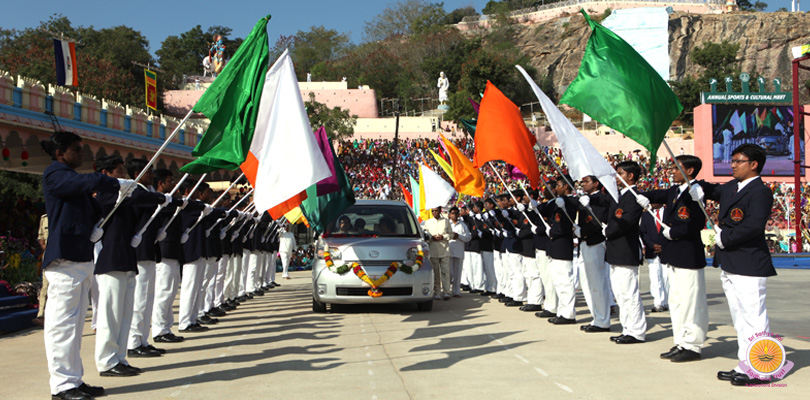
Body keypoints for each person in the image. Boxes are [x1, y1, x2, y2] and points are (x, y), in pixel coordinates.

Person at [40, 131, 120, 400]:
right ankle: (62, 386)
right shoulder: (55, 174)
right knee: (61, 327)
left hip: (80, 258)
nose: (81, 153)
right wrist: (111, 182)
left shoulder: (73, 181)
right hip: (64, 261)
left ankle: (73, 379)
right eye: (76, 149)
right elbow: (84, 183)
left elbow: (95, 208)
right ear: (60, 153)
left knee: (74, 328)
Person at [696, 144, 777, 386]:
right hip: (730, 261)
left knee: (754, 317)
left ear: (753, 164)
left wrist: (725, 238)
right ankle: (746, 362)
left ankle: (763, 368)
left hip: (749, 261)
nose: (732, 164)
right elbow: (713, 189)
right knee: (740, 318)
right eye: (732, 160)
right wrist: (696, 185)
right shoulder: (733, 186)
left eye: (738, 160)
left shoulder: (760, 192)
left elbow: (753, 226)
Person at [93, 155, 168, 377]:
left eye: (123, 171)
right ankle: (106, 361)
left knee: (124, 314)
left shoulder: (124, 195)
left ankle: (119, 357)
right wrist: (154, 196)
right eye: (118, 172)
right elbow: (135, 200)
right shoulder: (107, 194)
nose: (123, 176)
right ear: (105, 174)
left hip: (126, 258)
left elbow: (141, 205)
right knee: (111, 315)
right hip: (111, 260)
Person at [639, 155, 708, 364]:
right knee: (677, 301)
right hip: (673, 255)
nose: (672, 171)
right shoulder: (674, 191)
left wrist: (673, 233)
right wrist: (643, 196)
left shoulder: (696, 192)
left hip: (688, 255)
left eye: (677, 168)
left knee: (691, 302)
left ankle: (693, 344)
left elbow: (695, 223)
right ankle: (681, 341)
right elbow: (654, 194)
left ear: (690, 171)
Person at [601, 161, 647, 344]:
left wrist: (608, 230)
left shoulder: (635, 197)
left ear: (630, 176)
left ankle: (636, 331)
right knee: (620, 294)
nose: (617, 177)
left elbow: (625, 222)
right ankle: (627, 328)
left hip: (626, 250)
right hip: (615, 251)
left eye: (620, 173)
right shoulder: (620, 196)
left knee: (629, 293)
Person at [576, 175, 612, 333]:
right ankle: (597, 317)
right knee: (591, 284)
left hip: (595, 242)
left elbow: (599, 221)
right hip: (586, 242)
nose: (583, 184)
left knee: (598, 283)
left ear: (596, 183)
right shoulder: (587, 198)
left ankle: (603, 320)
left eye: (587, 181)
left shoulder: (601, 199)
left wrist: (581, 232)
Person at [546, 179, 578, 325]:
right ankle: (562, 311)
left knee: (565, 282)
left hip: (563, 246)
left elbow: (563, 227)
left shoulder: (570, 203)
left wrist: (551, 231)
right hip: (555, 247)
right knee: (558, 282)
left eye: (558, 185)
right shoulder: (559, 203)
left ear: (566, 186)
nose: (556, 188)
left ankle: (568, 313)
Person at [639, 203, 669, 313]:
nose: (653, 203)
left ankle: (665, 301)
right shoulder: (647, 215)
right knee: (655, 278)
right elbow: (643, 232)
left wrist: (663, 246)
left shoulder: (668, 212)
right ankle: (657, 303)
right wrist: (651, 245)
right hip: (652, 250)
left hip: (665, 250)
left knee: (666, 277)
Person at [424, 206, 453, 300]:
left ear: (440, 211)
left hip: (444, 249)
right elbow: (425, 237)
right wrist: (431, 238)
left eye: (436, 211)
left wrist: (443, 237)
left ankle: (446, 292)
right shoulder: (428, 222)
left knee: (445, 272)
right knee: (435, 273)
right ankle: (437, 292)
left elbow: (451, 234)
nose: (434, 212)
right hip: (433, 250)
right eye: (433, 211)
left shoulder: (446, 221)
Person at [447, 207, 471, 297]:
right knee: (449, 273)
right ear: (449, 215)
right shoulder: (447, 224)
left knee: (457, 273)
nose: (455, 215)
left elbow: (468, 237)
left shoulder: (462, 225)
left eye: (457, 213)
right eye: (453, 213)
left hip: (459, 251)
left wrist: (459, 236)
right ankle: (447, 290)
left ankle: (456, 291)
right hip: (448, 251)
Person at [33, 213, 49, 327]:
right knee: (45, 287)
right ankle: (41, 315)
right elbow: (41, 238)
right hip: (48, 257)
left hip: (63, 259)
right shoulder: (44, 218)